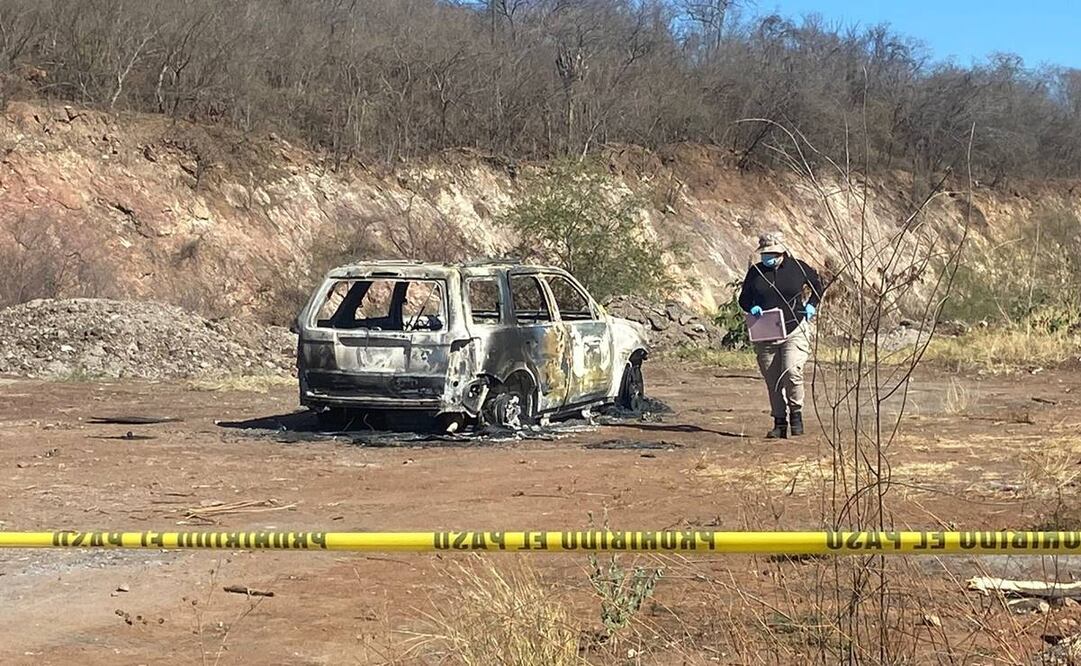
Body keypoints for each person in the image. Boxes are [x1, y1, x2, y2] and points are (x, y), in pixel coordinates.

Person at [738, 231, 825, 439]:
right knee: (773, 380)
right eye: (765, 254)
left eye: (773, 253)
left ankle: (796, 414)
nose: (769, 257)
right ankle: (779, 422)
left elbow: (818, 286)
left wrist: (811, 305)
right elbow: (744, 299)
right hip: (765, 332)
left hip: (794, 329)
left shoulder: (798, 267)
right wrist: (753, 307)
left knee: (792, 371)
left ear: (783, 251)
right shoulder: (755, 272)